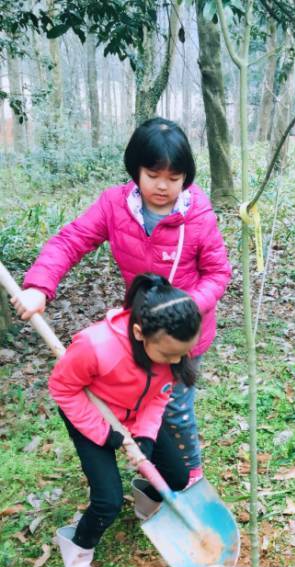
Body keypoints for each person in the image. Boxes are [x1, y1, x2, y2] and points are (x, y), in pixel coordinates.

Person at [11, 117, 232, 482]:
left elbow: (218, 274)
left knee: (175, 408)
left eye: (174, 179)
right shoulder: (115, 206)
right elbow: (72, 240)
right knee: (142, 398)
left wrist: (186, 307)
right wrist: (39, 285)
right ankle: (151, 464)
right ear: (136, 170)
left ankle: (190, 473)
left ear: (186, 178)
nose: (163, 187)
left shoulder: (198, 217)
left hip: (182, 334)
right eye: (152, 175)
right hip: (142, 331)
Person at [49, 274, 201, 567]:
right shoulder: (95, 346)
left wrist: (144, 436)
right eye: (169, 355)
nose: (176, 362)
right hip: (90, 414)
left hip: (137, 411)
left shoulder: (172, 347)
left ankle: (147, 503)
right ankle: (77, 558)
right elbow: (63, 389)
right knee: (108, 501)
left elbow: (160, 395)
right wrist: (106, 435)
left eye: (182, 355)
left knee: (175, 475)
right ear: (138, 333)